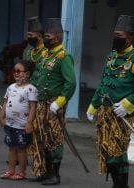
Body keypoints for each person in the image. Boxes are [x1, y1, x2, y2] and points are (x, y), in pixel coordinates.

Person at [86, 15, 134, 188]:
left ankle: (120, 185)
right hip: (106, 112)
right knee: (108, 150)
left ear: (129, 37)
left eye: (120, 35)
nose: (116, 38)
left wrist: (127, 105)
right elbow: (103, 84)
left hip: (122, 114)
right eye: (114, 35)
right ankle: (120, 185)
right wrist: (93, 106)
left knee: (116, 151)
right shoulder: (111, 57)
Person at [33, 18, 76, 185]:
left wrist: (60, 101)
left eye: (48, 36)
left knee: (54, 137)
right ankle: (46, 171)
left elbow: (70, 82)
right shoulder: (46, 54)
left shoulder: (64, 57)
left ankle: (55, 174)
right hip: (42, 103)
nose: (45, 39)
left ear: (57, 38)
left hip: (54, 104)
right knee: (42, 137)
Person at [21, 16, 49, 181]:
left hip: (39, 94)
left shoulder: (46, 52)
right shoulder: (28, 50)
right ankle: (23, 154)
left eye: (31, 34)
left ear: (39, 35)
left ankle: (41, 165)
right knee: (23, 125)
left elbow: (43, 74)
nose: (28, 37)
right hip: (26, 92)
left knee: (38, 130)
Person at [0, 62, 37, 180]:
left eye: (19, 71)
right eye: (14, 71)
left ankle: (21, 172)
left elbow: (33, 107)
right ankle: (10, 170)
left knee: (21, 149)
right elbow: (6, 102)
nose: (16, 73)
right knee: (11, 148)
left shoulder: (31, 89)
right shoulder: (11, 87)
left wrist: (29, 123)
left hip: (22, 126)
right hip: (10, 125)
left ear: (27, 74)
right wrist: (2, 117)